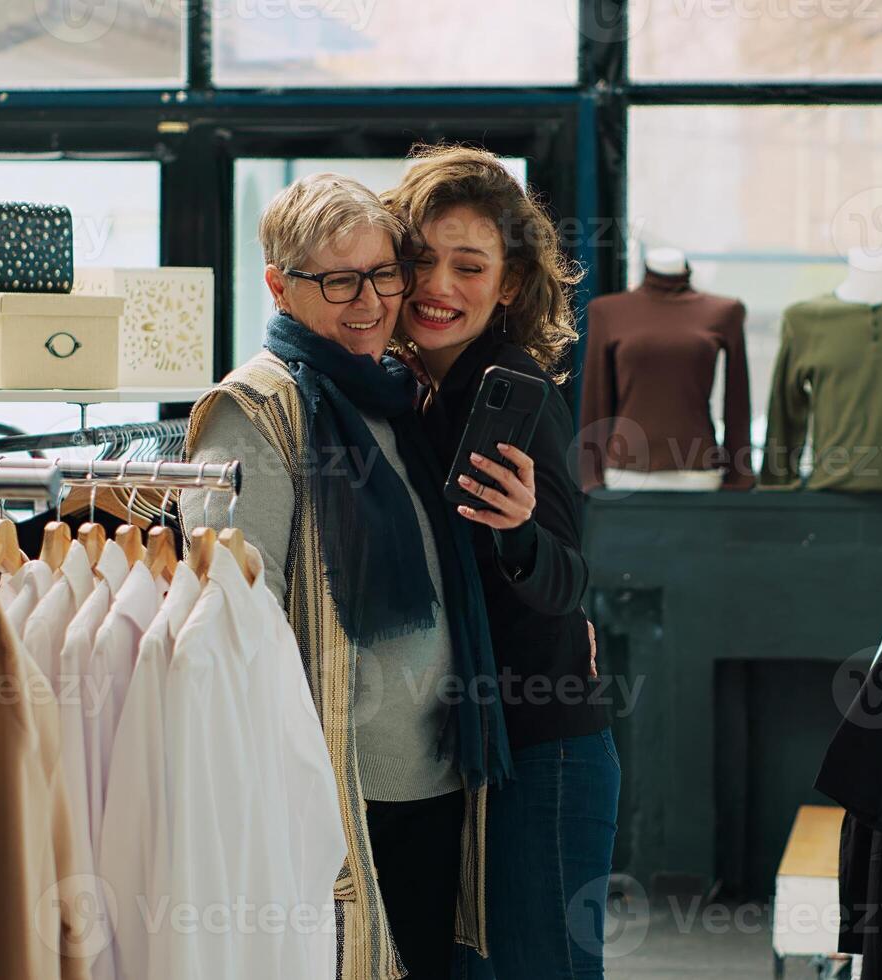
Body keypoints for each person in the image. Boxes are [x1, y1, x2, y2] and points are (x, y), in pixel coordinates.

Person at [182, 172, 514, 980]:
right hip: (333, 792)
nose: (368, 301)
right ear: (278, 285)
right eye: (338, 280)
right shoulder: (255, 409)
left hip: (430, 777)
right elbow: (234, 621)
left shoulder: (393, 397)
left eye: (382, 274)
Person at [384, 145, 621, 980]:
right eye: (418, 260)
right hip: (483, 744)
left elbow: (567, 582)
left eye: (469, 265)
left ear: (510, 285)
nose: (437, 286)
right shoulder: (421, 390)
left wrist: (518, 531)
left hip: (544, 751)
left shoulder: (512, 388)